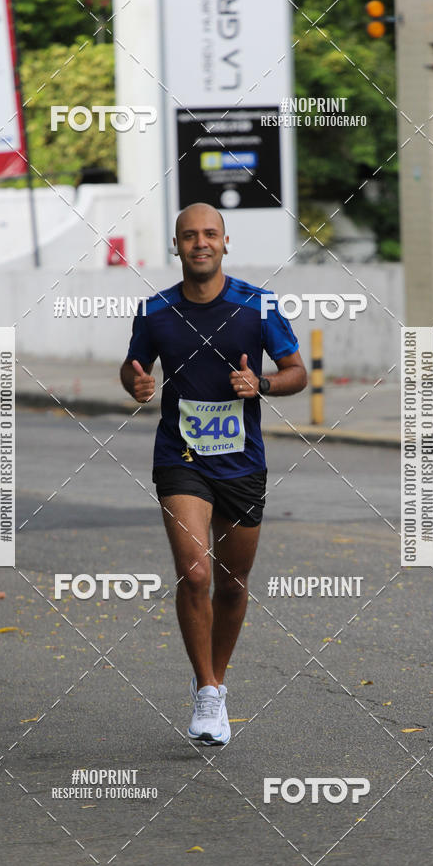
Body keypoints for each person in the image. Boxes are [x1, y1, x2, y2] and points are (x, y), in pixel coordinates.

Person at [120, 203, 306, 746]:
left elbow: (297, 372)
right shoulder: (155, 312)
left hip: (243, 463)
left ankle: (218, 685)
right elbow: (134, 368)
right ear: (175, 246)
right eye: (188, 236)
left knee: (232, 582)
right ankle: (204, 690)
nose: (200, 243)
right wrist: (135, 386)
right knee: (196, 573)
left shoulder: (258, 304)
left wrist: (263, 386)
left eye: (210, 234)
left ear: (226, 243)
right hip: (181, 459)